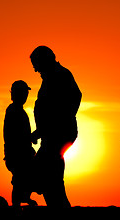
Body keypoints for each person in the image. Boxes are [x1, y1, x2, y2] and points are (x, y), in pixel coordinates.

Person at [31, 46, 82, 208]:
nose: (35, 69)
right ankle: (58, 207)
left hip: (58, 132)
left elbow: (75, 97)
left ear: (44, 60)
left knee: (47, 171)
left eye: (36, 64)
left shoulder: (60, 75)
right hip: (52, 132)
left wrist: (60, 120)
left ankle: (59, 208)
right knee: (49, 171)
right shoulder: (51, 76)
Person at [3, 80, 37, 207]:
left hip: (19, 153)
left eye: (25, 93)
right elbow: (16, 135)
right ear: (14, 94)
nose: (25, 96)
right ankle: (16, 206)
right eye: (22, 93)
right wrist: (31, 137)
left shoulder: (17, 111)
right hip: (17, 154)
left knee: (23, 177)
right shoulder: (14, 111)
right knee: (20, 178)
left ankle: (23, 199)